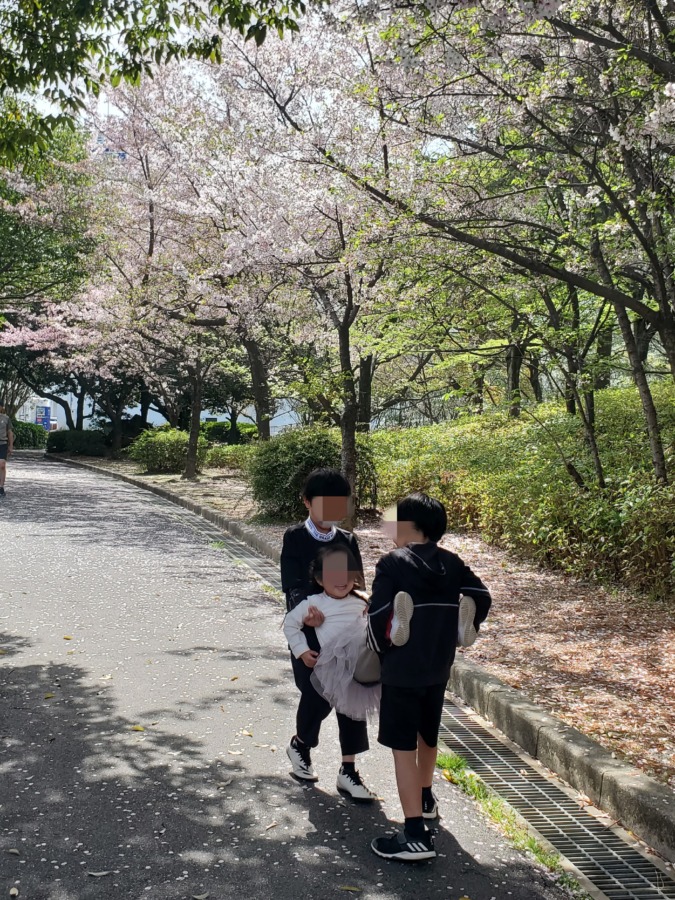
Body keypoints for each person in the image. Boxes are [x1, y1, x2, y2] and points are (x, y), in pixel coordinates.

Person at [367, 492, 492, 861]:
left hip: (403, 668)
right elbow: (480, 595)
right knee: (427, 735)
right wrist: (466, 618)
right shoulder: (452, 562)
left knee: (402, 748)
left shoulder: (392, 563)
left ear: (407, 527)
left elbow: (373, 619)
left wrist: (381, 638)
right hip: (438, 667)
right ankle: (425, 798)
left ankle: (414, 836)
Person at [280, 468, 374, 800]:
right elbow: (292, 584)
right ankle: (301, 745)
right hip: (311, 630)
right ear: (307, 502)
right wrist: (308, 614)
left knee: (351, 701)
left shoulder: (348, 540)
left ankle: (349, 771)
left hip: (348, 636)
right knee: (317, 697)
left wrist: (363, 605)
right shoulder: (294, 537)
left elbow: (357, 583)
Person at [284, 545, 381, 723]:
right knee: (313, 710)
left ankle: (350, 752)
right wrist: (302, 651)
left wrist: (371, 613)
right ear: (320, 580)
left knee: (353, 722)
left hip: (359, 666)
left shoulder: (361, 601)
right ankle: (302, 742)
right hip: (332, 668)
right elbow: (290, 623)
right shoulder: (314, 603)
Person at [0, 403, 14, 497]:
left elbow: (10, 432)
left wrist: (11, 445)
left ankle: (1, 487)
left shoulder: (6, 418)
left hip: (3, 444)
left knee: (2, 465)